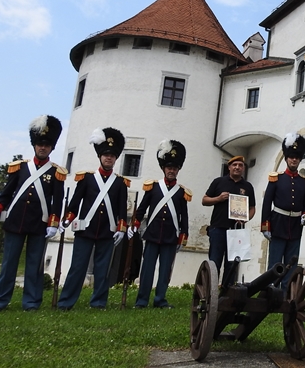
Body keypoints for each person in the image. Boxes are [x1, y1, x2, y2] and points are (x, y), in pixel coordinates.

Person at [0, 115, 66, 312]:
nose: (43, 147)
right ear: (34, 145)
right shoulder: (20, 168)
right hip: (15, 221)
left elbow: (57, 202)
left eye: (46, 145)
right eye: (40, 144)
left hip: (39, 223)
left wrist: (53, 224)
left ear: (52, 148)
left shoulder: (56, 173)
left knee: (34, 267)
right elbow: (6, 194)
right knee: (8, 265)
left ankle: (31, 303)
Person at [57, 127, 129, 310]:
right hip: (85, 229)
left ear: (115, 158)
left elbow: (122, 210)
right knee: (77, 268)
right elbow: (74, 204)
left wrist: (121, 229)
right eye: (106, 154)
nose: (109, 158)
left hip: (107, 231)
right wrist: (67, 219)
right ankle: (66, 302)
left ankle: (98, 302)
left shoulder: (120, 183)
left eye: (112, 155)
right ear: (100, 156)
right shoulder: (87, 179)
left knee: (102, 270)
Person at [129, 139, 191, 309]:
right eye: (169, 167)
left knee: (165, 271)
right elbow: (141, 209)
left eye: (175, 168)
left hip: (171, 236)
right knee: (147, 270)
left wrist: (183, 236)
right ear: (164, 169)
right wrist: (134, 225)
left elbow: (183, 217)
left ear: (178, 170)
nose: (172, 170)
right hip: (152, 234)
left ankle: (160, 300)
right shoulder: (154, 188)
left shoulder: (181, 193)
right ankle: (142, 301)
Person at [261, 132, 305, 287]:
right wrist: (265, 225)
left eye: (297, 157)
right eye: (291, 157)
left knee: (291, 264)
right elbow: (267, 203)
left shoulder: (304, 182)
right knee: (275, 263)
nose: (294, 160)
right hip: (278, 224)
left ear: (300, 159)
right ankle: (270, 294)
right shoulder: (276, 178)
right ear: (286, 158)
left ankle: (286, 295)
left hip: (295, 227)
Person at [202, 155, 256, 280]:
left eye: (240, 165)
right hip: (218, 228)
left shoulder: (248, 186)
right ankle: (211, 293)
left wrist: (245, 218)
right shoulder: (218, 182)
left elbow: (252, 208)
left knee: (232, 265)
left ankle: (228, 295)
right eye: (234, 165)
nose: (237, 167)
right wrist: (218, 198)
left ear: (243, 168)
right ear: (229, 167)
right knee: (214, 262)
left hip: (237, 231)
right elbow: (204, 200)